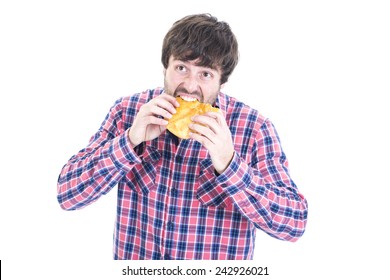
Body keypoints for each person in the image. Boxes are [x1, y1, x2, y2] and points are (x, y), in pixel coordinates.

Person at [57, 13, 308, 260]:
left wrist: (230, 164)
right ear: (166, 66)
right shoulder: (128, 112)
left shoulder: (254, 129)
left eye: (205, 74)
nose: (189, 85)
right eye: (181, 68)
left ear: (222, 80)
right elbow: (68, 195)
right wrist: (129, 142)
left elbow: (294, 225)